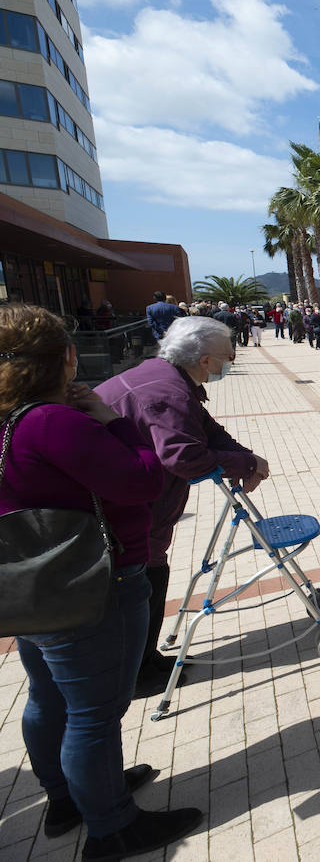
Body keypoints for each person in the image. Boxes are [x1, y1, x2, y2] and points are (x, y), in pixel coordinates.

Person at [0, 304, 205, 858]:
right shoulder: (51, 421)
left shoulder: (10, 420)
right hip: (92, 583)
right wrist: (112, 421)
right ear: (66, 357)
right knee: (93, 713)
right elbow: (142, 478)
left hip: (30, 583)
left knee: (47, 697)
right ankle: (112, 825)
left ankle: (67, 799)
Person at [96, 317, 269, 698]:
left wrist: (248, 458)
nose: (232, 361)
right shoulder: (167, 392)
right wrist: (247, 465)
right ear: (205, 360)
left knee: (152, 578)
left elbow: (207, 431)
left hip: (141, 511)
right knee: (139, 586)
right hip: (124, 515)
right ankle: (135, 674)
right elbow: (185, 456)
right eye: (228, 356)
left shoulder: (169, 379)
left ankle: (146, 657)